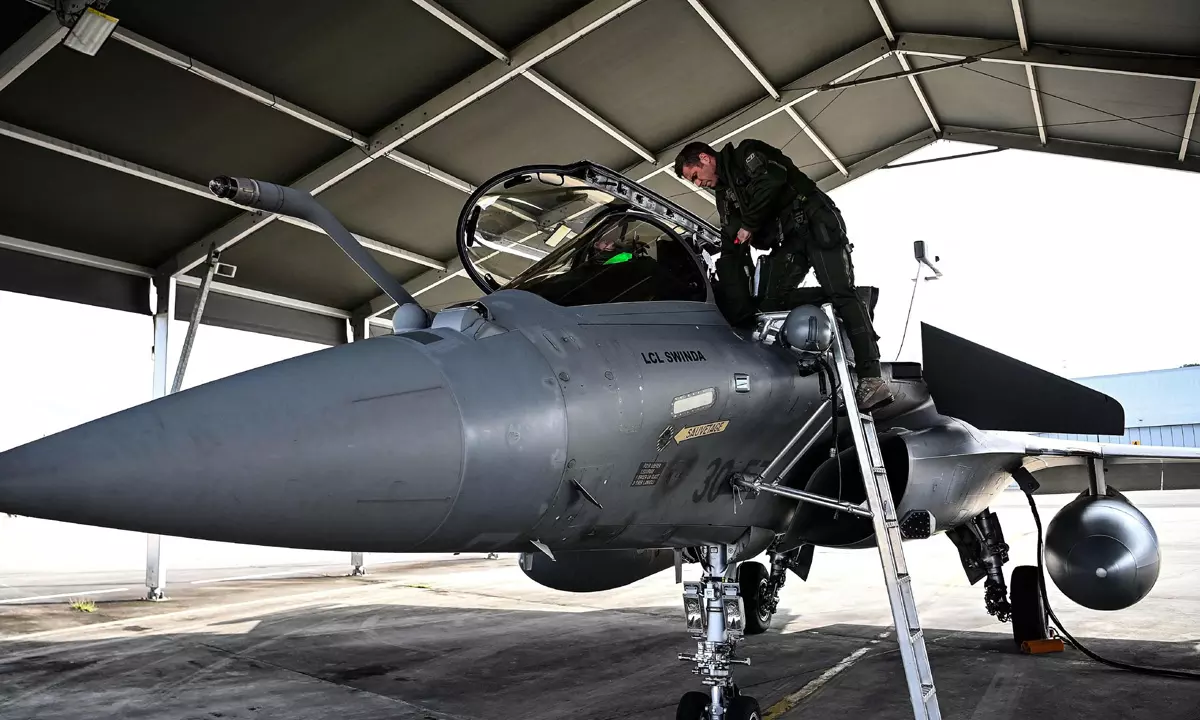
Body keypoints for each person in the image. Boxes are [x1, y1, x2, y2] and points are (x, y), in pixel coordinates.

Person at [673, 138, 892, 411]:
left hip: (816, 222)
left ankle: (872, 379)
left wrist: (749, 225)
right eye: (692, 181)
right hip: (790, 238)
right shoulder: (726, 196)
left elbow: (772, 180)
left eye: (695, 176)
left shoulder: (747, 153)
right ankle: (846, 303)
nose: (698, 183)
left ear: (705, 158)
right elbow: (731, 241)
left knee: (841, 292)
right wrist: (735, 300)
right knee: (769, 302)